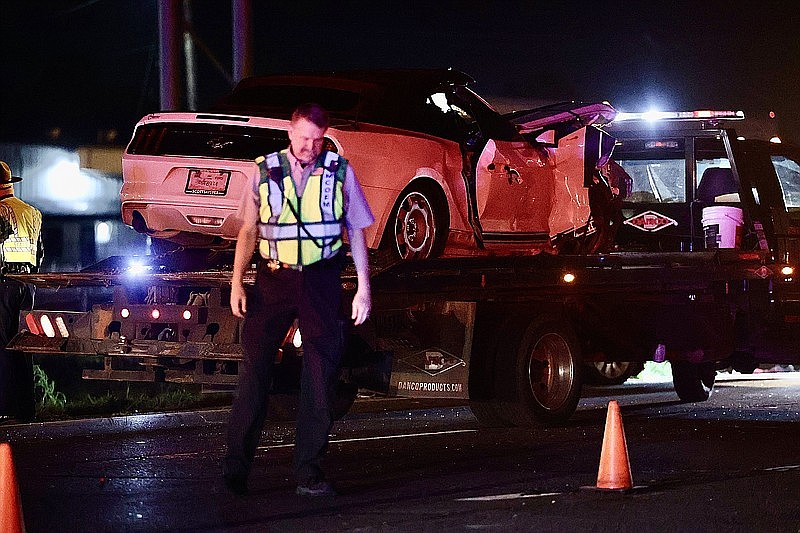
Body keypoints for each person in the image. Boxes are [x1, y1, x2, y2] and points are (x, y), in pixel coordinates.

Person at [224, 103, 374, 497]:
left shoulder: (341, 171)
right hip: (273, 281)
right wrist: (237, 282)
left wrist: (363, 287)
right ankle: (235, 471)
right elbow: (247, 231)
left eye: (317, 139)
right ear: (290, 134)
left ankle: (308, 470)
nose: (310, 146)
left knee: (320, 376)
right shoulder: (263, 170)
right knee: (254, 376)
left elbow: (356, 230)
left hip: (321, 281)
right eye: (304, 138)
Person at [0, 161, 43, 423]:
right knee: (23, 345)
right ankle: (26, 409)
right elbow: (39, 254)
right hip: (28, 283)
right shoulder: (32, 212)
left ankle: (3, 408)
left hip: (3, 282)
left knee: (2, 345)